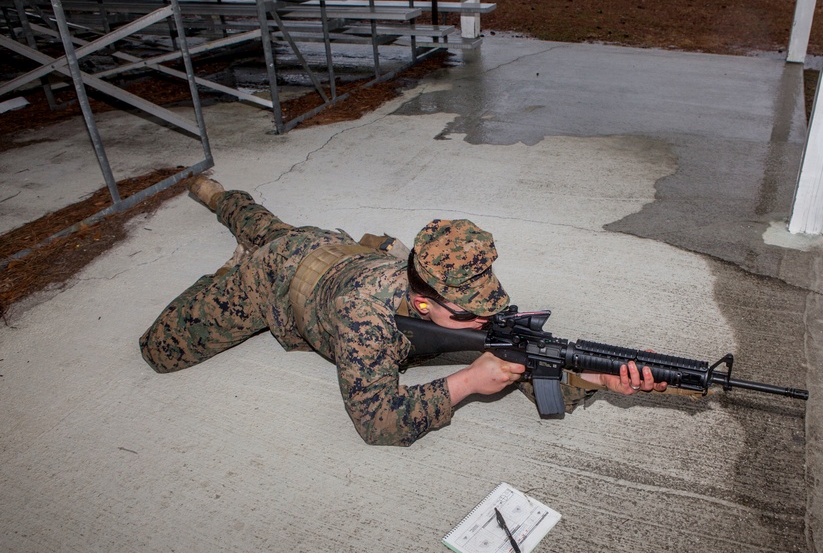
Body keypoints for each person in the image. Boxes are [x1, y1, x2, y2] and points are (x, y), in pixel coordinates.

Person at [140, 178, 666, 446]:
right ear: (421, 302)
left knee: (258, 217)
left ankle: (218, 194)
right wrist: (466, 384)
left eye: (489, 307)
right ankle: (233, 267)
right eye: (466, 315)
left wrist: (598, 378)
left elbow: (528, 365)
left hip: (331, 246)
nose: (482, 323)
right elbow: (376, 423)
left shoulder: (463, 296)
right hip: (274, 280)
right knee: (158, 351)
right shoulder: (363, 319)